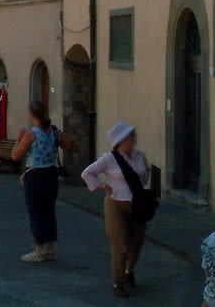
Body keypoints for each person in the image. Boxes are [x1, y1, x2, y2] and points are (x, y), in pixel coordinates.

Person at [81, 121, 151, 298]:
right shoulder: (109, 158)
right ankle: (118, 282)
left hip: (136, 204)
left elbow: (145, 174)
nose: (134, 139)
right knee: (120, 244)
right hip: (115, 204)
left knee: (137, 241)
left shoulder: (140, 156)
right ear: (121, 140)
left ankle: (129, 272)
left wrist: (140, 189)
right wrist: (102, 186)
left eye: (133, 135)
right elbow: (87, 173)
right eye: (131, 136)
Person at [11, 101, 74, 263]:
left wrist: (18, 139)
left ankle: (39, 249)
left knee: (36, 211)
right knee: (49, 211)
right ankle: (50, 248)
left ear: (32, 114)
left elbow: (16, 156)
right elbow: (69, 144)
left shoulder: (30, 134)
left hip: (36, 174)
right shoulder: (54, 131)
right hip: (51, 173)